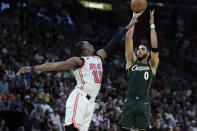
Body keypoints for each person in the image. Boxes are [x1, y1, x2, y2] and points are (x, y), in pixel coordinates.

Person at [16, 15, 137, 131]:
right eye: (88, 44)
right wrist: (30, 69)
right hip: (80, 97)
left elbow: (114, 41)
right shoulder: (78, 60)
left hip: (90, 101)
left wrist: (129, 25)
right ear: (84, 49)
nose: (90, 44)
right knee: (71, 129)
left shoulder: (99, 56)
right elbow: (54, 66)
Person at [120, 10, 159, 131]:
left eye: (142, 49)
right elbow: (128, 38)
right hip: (130, 100)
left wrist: (152, 24)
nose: (139, 51)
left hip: (143, 102)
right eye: (139, 49)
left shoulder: (152, 64)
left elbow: (154, 45)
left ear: (148, 53)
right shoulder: (132, 62)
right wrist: (133, 20)